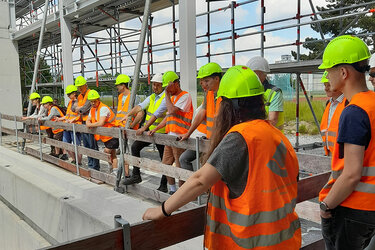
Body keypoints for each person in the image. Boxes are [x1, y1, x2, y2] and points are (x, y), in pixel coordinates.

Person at [143, 65, 301, 249]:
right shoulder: (277, 135)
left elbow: (200, 180)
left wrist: (162, 210)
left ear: (229, 106)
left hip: (252, 243)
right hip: (285, 240)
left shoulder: (240, 137)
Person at [318, 35, 375, 249]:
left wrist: (326, 205)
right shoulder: (372, 103)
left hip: (354, 208)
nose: (327, 76)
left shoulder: (353, 112)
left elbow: (351, 174)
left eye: (330, 70)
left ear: (343, 72)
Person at [120, 73, 168, 192]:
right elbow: (140, 107)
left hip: (162, 132)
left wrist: (143, 128)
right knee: (135, 147)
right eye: (153, 85)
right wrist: (128, 115)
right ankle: (136, 175)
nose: (155, 87)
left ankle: (164, 185)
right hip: (150, 130)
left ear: (163, 86)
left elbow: (157, 114)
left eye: (157, 85)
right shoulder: (151, 97)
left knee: (164, 159)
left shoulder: (166, 98)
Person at [148, 71, 193, 194]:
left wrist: (166, 94)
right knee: (166, 164)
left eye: (168, 86)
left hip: (180, 137)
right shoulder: (172, 98)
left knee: (179, 165)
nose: (167, 89)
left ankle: (182, 192)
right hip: (170, 136)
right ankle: (173, 190)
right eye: (166, 88)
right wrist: (156, 129)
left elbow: (172, 110)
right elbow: (168, 118)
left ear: (176, 83)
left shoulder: (185, 96)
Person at [179, 62, 222, 141]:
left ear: (217, 79)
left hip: (220, 139)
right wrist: (188, 133)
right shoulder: (208, 93)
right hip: (209, 138)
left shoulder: (225, 95)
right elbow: (202, 111)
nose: (203, 84)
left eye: (206, 81)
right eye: (202, 81)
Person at [113, 74, 143, 176]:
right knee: (123, 152)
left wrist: (132, 125)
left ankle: (134, 174)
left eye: (118, 85)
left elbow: (140, 113)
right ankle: (126, 175)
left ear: (123, 85)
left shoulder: (134, 97)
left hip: (130, 130)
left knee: (130, 152)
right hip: (121, 129)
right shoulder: (120, 97)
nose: (116, 87)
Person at [246, 56, 284, 130]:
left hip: (273, 138)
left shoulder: (275, 92)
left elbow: (272, 121)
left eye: (252, 74)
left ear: (259, 75)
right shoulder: (248, 92)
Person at [86, 90, 119, 172]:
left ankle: (112, 167)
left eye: (95, 101)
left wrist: (90, 125)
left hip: (112, 134)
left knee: (106, 151)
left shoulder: (103, 108)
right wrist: (88, 123)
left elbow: (101, 123)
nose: (93, 103)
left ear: (98, 100)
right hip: (105, 137)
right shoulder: (93, 109)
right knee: (113, 154)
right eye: (91, 101)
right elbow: (88, 120)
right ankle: (114, 170)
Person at [75, 76, 100, 170]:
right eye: (78, 87)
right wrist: (79, 109)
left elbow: (84, 109)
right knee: (86, 145)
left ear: (85, 85)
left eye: (81, 86)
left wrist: (79, 108)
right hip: (83, 122)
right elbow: (74, 108)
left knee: (92, 145)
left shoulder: (90, 93)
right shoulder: (80, 96)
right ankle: (90, 165)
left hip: (90, 122)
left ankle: (95, 167)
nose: (79, 88)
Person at [320, 71, 347, 156]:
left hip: (343, 156)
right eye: (325, 85)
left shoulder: (348, 103)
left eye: (329, 85)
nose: (326, 88)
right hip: (330, 153)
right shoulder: (329, 104)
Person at [55, 85, 82, 165]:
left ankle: (79, 162)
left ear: (74, 93)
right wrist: (60, 119)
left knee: (77, 146)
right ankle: (74, 159)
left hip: (75, 126)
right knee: (65, 144)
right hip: (67, 126)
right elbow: (68, 115)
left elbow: (81, 114)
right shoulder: (70, 102)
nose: (68, 96)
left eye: (69, 94)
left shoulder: (79, 102)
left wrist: (74, 119)